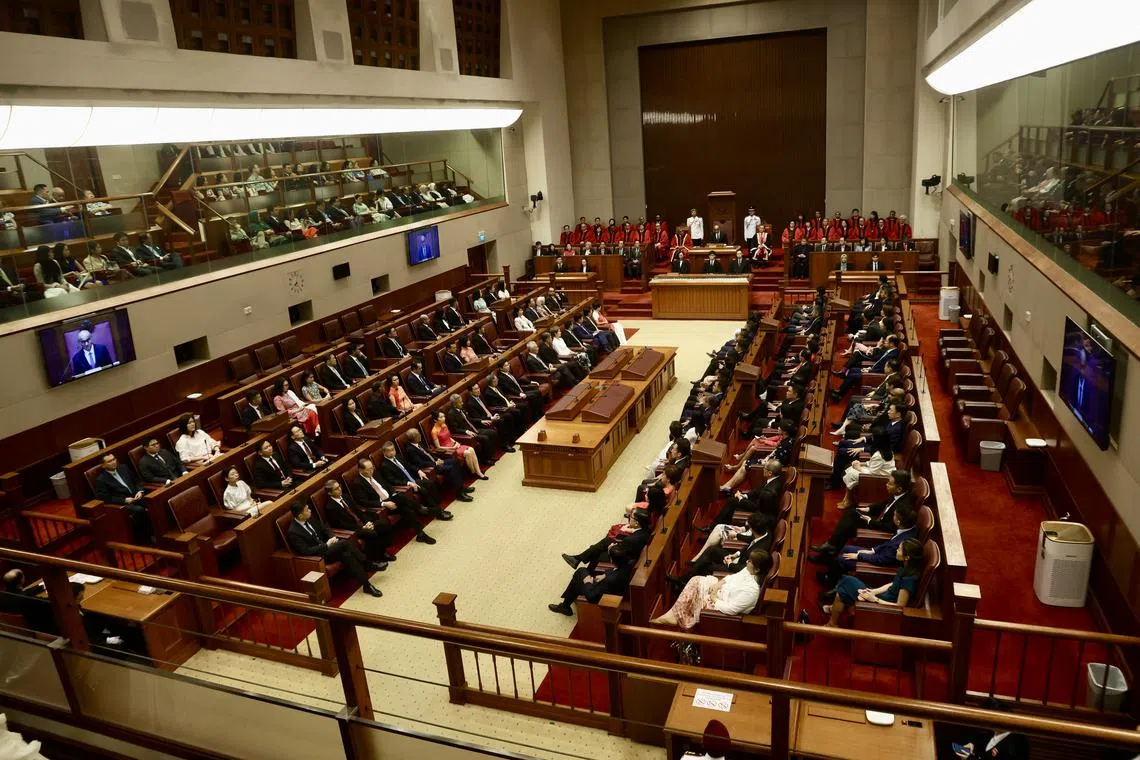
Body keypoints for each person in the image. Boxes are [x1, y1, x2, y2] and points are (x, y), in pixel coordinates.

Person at [651, 550, 771, 629]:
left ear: (757, 570)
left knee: (699, 596)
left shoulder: (752, 591)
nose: (746, 562)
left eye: (750, 561)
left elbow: (731, 609)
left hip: (722, 609)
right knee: (696, 580)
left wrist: (714, 598)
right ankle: (675, 614)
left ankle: (677, 618)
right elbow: (731, 577)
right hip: (720, 591)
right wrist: (718, 585)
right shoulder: (749, 571)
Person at [811, 470, 914, 561]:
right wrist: (869, 508)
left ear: (899, 489)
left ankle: (829, 549)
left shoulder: (903, 506)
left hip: (881, 527)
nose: (886, 484)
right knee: (850, 515)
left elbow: (891, 527)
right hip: (878, 518)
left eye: (890, 484)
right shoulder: (898, 494)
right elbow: (884, 503)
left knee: (849, 523)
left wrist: (870, 521)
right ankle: (830, 547)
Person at [286, 502, 383, 597]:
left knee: (347, 556)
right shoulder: (293, 532)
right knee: (344, 543)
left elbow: (325, 528)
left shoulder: (310, 518)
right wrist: (326, 545)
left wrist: (332, 537)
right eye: (307, 510)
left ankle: (367, 586)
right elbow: (305, 551)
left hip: (330, 548)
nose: (310, 510)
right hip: (319, 556)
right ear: (300, 515)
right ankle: (366, 563)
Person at [823, 539, 923, 626]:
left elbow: (900, 606)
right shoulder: (904, 567)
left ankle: (832, 621)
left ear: (907, 557)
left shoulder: (909, 579)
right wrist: (874, 591)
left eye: (899, 549)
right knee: (844, 589)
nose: (896, 550)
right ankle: (832, 620)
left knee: (846, 583)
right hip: (880, 595)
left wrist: (874, 599)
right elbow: (892, 584)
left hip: (885, 604)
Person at [817, 506, 918, 593]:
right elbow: (888, 543)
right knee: (847, 549)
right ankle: (835, 580)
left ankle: (831, 586)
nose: (893, 517)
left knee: (841, 560)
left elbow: (883, 559)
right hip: (880, 554)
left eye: (894, 515)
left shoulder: (903, 541)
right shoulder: (907, 528)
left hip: (882, 564)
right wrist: (872, 550)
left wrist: (860, 556)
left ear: (898, 521)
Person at [350, 458, 436, 544]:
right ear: (361, 470)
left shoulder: (375, 473)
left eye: (372, 468)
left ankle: (421, 534)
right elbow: (363, 502)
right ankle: (421, 509)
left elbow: (387, 484)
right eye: (369, 470)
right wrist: (384, 503)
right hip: (382, 507)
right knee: (402, 499)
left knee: (405, 507)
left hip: (391, 498)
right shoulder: (357, 483)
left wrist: (393, 494)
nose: (371, 471)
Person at [548, 541, 638, 616]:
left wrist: (588, 583)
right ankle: (565, 605)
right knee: (581, 575)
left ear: (612, 560)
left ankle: (565, 606)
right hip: (617, 587)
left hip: (603, 595)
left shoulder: (610, 580)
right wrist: (606, 574)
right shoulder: (630, 562)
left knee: (580, 572)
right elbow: (617, 570)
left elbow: (592, 596)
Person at [322, 480, 395, 565]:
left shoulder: (345, 496)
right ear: (330, 493)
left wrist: (367, 522)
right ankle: (374, 558)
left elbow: (358, 511)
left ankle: (382, 552)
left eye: (339, 487)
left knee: (383, 524)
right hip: (353, 529)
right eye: (336, 489)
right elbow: (341, 525)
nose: (340, 489)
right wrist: (362, 528)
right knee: (371, 533)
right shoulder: (330, 507)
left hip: (362, 524)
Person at [378, 441, 451, 520]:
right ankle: (439, 514)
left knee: (430, 484)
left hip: (413, 479)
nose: (393, 452)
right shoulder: (385, 465)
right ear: (384, 452)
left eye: (393, 449)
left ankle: (439, 508)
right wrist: (408, 483)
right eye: (390, 450)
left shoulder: (398, 457)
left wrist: (418, 470)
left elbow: (409, 465)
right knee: (424, 490)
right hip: (406, 486)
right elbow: (392, 481)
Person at [404, 425, 476, 500]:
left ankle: (461, 487)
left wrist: (437, 459)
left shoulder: (419, 443)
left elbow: (428, 454)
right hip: (430, 468)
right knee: (451, 468)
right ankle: (460, 494)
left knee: (454, 462)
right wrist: (435, 463)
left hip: (435, 462)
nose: (420, 435)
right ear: (413, 438)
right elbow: (420, 463)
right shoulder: (410, 450)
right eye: (418, 435)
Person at [92, 453, 151, 543]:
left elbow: (137, 481)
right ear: (103, 465)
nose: (113, 462)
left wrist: (140, 491)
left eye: (114, 459)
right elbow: (104, 498)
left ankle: (157, 532)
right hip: (122, 504)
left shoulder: (123, 468)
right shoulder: (101, 480)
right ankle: (145, 539)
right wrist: (124, 500)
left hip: (136, 496)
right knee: (139, 510)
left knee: (152, 503)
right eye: (109, 461)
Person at [836, 429, 896, 509]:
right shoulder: (887, 450)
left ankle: (848, 500)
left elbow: (872, 473)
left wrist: (858, 467)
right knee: (851, 469)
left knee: (851, 473)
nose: (872, 440)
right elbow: (873, 464)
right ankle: (847, 499)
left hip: (880, 478)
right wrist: (861, 464)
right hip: (881, 473)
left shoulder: (879, 455)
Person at [447, 392, 501, 462]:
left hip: (474, 429)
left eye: (462, 401)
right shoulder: (451, 414)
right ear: (455, 404)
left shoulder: (461, 409)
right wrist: (466, 431)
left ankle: (492, 454)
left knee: (493, 433)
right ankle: (485, 459)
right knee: (485, 438)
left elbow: (471, 419)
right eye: (460, 402)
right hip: (468, 434)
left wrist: (481, 421)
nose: (462, 403)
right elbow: (454, 429)